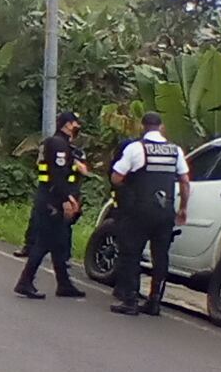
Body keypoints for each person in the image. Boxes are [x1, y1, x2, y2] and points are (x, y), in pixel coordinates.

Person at [109, 111, 191, 316]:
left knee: (131, 253)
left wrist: (128, 188)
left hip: (139, 210)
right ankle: (154, 302)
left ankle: (130, 300)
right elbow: (185, 181)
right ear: (161, 127)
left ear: (142, 126)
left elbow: (116, 177)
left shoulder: (136, 148)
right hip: (165, 211)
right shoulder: (175, 150)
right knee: (160, 256)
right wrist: (183, 208)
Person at [14, 111, 89, 300]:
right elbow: (57, 175)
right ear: (67, 125)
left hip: (51, 198)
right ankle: (25, 281)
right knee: (44, 242)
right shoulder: (57, 144)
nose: (77, 126)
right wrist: (67, 199)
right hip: (52, 200)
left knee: (59, 243)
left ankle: (63, 284)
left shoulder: (62, 145)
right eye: (75, 123)